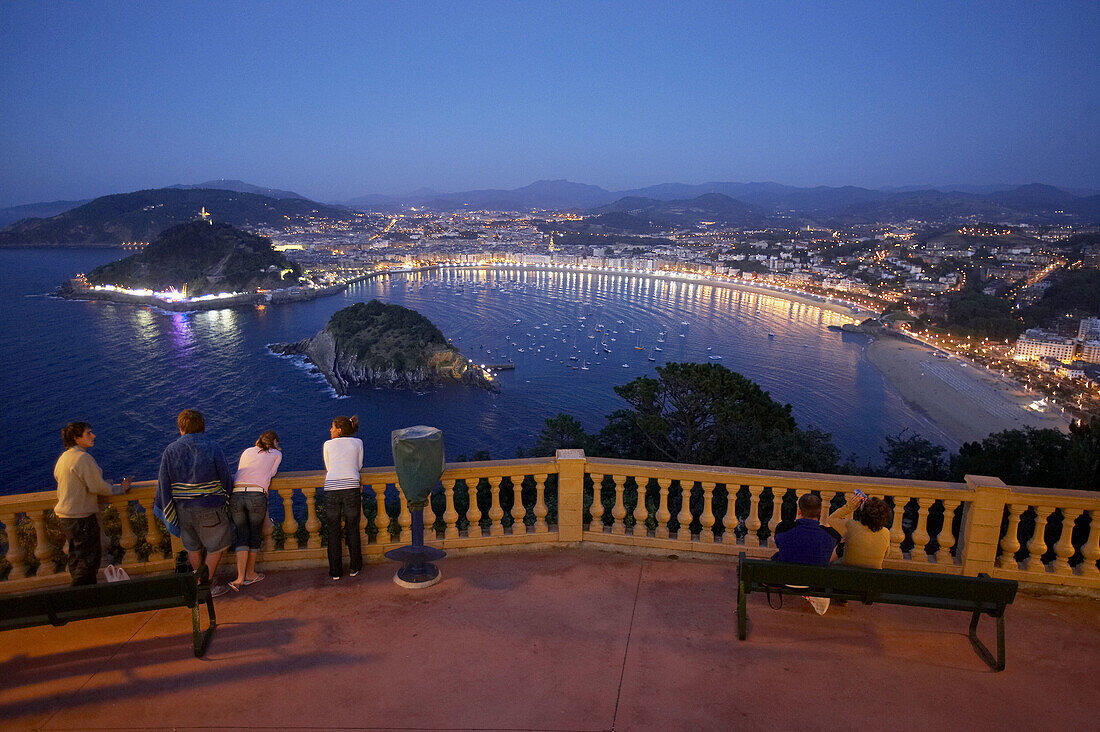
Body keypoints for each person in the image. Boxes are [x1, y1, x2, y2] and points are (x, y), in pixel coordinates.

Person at [154, 409, 233, 597]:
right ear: (202, 426)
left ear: (181, 428)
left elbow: (163, 483)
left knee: (192, 547)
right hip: (209, 507)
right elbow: (225, 477)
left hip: (182, 510)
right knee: (217, 546)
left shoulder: (170, 450)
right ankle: (206, 584)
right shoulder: (212, 447)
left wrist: (166, 507)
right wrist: (229, 498)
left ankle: (200, 580)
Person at [53, 422, 132, 585]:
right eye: (88, 433)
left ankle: (79, 596)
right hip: (81, 517)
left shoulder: (64, 458)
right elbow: (97, 487)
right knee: (88, 560)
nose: (93, 436)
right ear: (76, 438)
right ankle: (84, 597)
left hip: (66, 517)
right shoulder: (82, 458)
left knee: (75, 557)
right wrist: (120, 489)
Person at [229, 430, 281, 591]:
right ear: (273, 442)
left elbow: (240, 470)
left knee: (242, 534)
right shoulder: (276, 454)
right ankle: (250, 574)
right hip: (256, 495)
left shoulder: (247, 451)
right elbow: (272, 473)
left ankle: (239, 577)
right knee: (254, 535)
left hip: (237, 494)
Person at [323, 415, 363, 580]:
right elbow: (359, 466)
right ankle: (355, 567)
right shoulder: (358, 442)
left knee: (333, 530)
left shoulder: (327, 444)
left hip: (332, 488)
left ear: (339, 430)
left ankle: (335, 571)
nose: (330, 430)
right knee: (352, 528)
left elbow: (328, 466)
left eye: (332, 427)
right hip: (352, 486)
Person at [825, 493, 892, 569]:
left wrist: (850, 507)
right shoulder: (886, 532)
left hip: (847, 572)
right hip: (873, 576)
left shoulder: (850, 526)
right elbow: (886, 554)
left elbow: (831, 519)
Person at [773, 493, 840, 565]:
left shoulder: (783, 529)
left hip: (787, 574)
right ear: (820, 512)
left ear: (799, 511)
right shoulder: (831, 536)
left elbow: (778, 543)